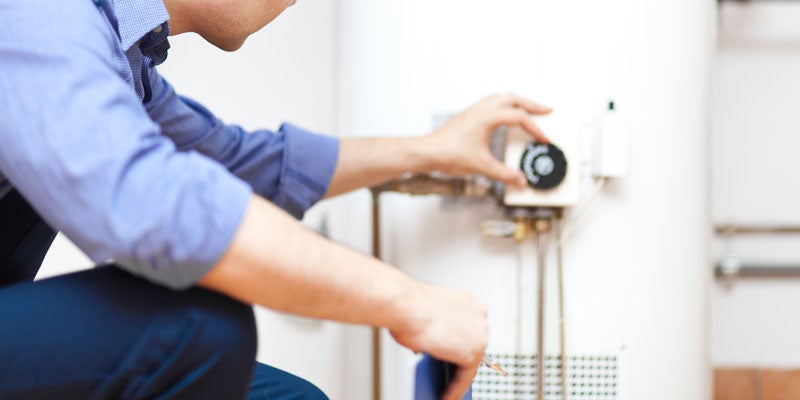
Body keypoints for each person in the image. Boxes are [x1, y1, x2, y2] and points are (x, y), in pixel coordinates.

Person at [0, 0, 551, 399]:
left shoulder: (118, 50)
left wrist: (432, 150)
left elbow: (241, 167)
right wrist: (411, 301)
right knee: (196, 325)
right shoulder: (40, 14)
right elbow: (158, 207)